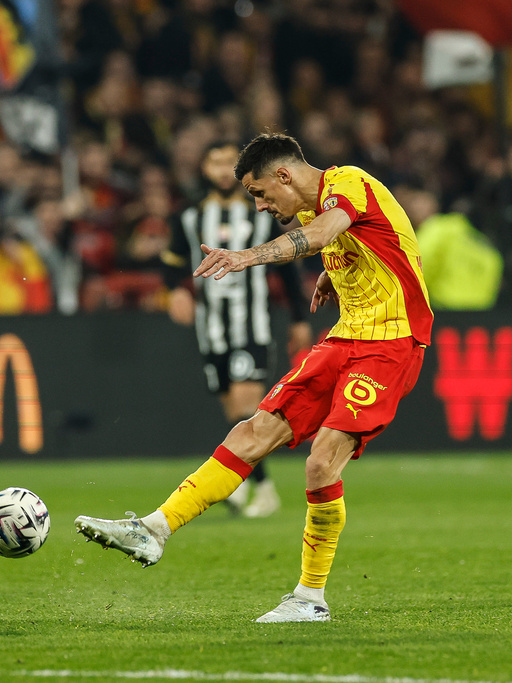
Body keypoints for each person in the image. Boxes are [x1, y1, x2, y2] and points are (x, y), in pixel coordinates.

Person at [76, 133, 432, 622]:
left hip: (391, 344)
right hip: (346, 337)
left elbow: (328, 232)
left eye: (261, 192)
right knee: (253, 429)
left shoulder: (346, 182)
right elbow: (372, 237)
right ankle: (155, 529)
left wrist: (245, 257)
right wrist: (334, 275)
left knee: (321, 462)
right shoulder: (313, 209)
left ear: (284, 175)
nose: (261, 205)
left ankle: (309, 599)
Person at [163, 140, 313, 518]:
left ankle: (258, 488)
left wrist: (298, 318)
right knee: (233, 408)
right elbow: (170, 262)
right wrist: (172, 293)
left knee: (247, 405)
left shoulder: (264, 213)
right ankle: (249, 484)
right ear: (204, 169)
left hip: (252, 326)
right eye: (215, 162)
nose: (221, 170)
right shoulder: (189, 216)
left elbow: (288, 271)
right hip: (210, 328)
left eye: (229, 163)